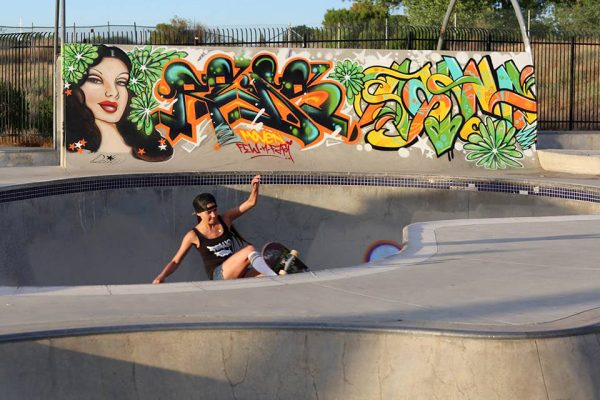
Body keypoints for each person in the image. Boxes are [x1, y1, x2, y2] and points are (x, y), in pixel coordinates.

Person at [153, 175, 277, 283]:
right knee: (249, 250)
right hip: (219, 275)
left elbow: (250, 203)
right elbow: (176, 261)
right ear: (198, 214)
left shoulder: (225, 219)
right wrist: (161, 276)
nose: (213, 215)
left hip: (237, 271)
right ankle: (275, 276)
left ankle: (278, 274)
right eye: (209, 212)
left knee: (268, 268)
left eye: (215, 210)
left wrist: (255, 189)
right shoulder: (193, 235)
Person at [65, 45, 173, 162]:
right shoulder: (77, 142)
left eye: (121, 82)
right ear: (75, 88)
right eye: (95, 80)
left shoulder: (135, 140)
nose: (113, 92)